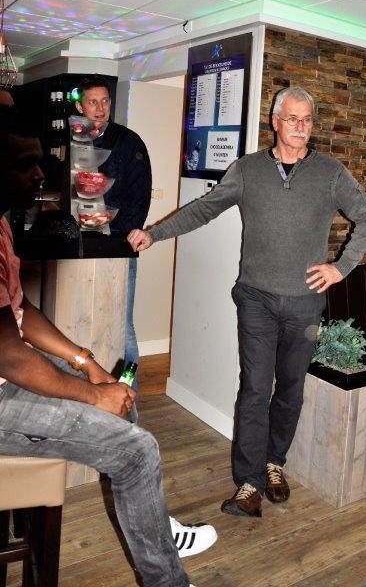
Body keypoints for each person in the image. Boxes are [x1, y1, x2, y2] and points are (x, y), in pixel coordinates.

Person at [128, 86, 366, 518]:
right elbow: (204, 209)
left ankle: (273, 463)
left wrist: (341, 267)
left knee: (291, 390)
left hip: (305, 304)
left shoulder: (331, 173)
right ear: (275, 121)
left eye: (307, 120)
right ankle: (248, 483)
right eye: (293, 118)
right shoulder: (247, 170)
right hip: (256, 300)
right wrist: (155, 233)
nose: (301, 127)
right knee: (255, 389)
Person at [0, 105, 216, 586]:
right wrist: (92, 395)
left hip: (6, 376)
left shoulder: (2, 225)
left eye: (40, 161)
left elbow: (19, 311)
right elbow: (8, 354)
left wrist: (87, 363)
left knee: (122, 397)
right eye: (24, 164)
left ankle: (154, 525)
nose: (39, 174)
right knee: (137, 450)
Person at [75, 76, 151, 383]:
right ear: (80, 106)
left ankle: (129, 395)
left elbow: (140, 197)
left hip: (118, 246)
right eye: (92, 101)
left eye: (105, 101)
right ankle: (95, 392)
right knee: (83, 320)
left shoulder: (129, 142)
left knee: (122, 326)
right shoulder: (75, 139)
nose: (100, 107)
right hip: (79, 247)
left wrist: (118, 238)